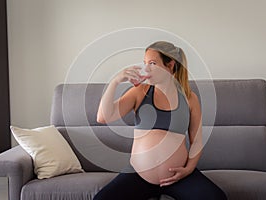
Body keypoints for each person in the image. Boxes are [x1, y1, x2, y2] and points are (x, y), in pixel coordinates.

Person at [94, 41, 227, 200]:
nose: (146, 68)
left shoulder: (190, 99)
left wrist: (188, 169)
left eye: (152, 63)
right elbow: (103, 117)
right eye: (145, 63)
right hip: (138, 175)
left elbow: (196, 141)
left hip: (178, 176)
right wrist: (115, 81)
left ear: (170, 65)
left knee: (216, 198)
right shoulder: (139, 92)